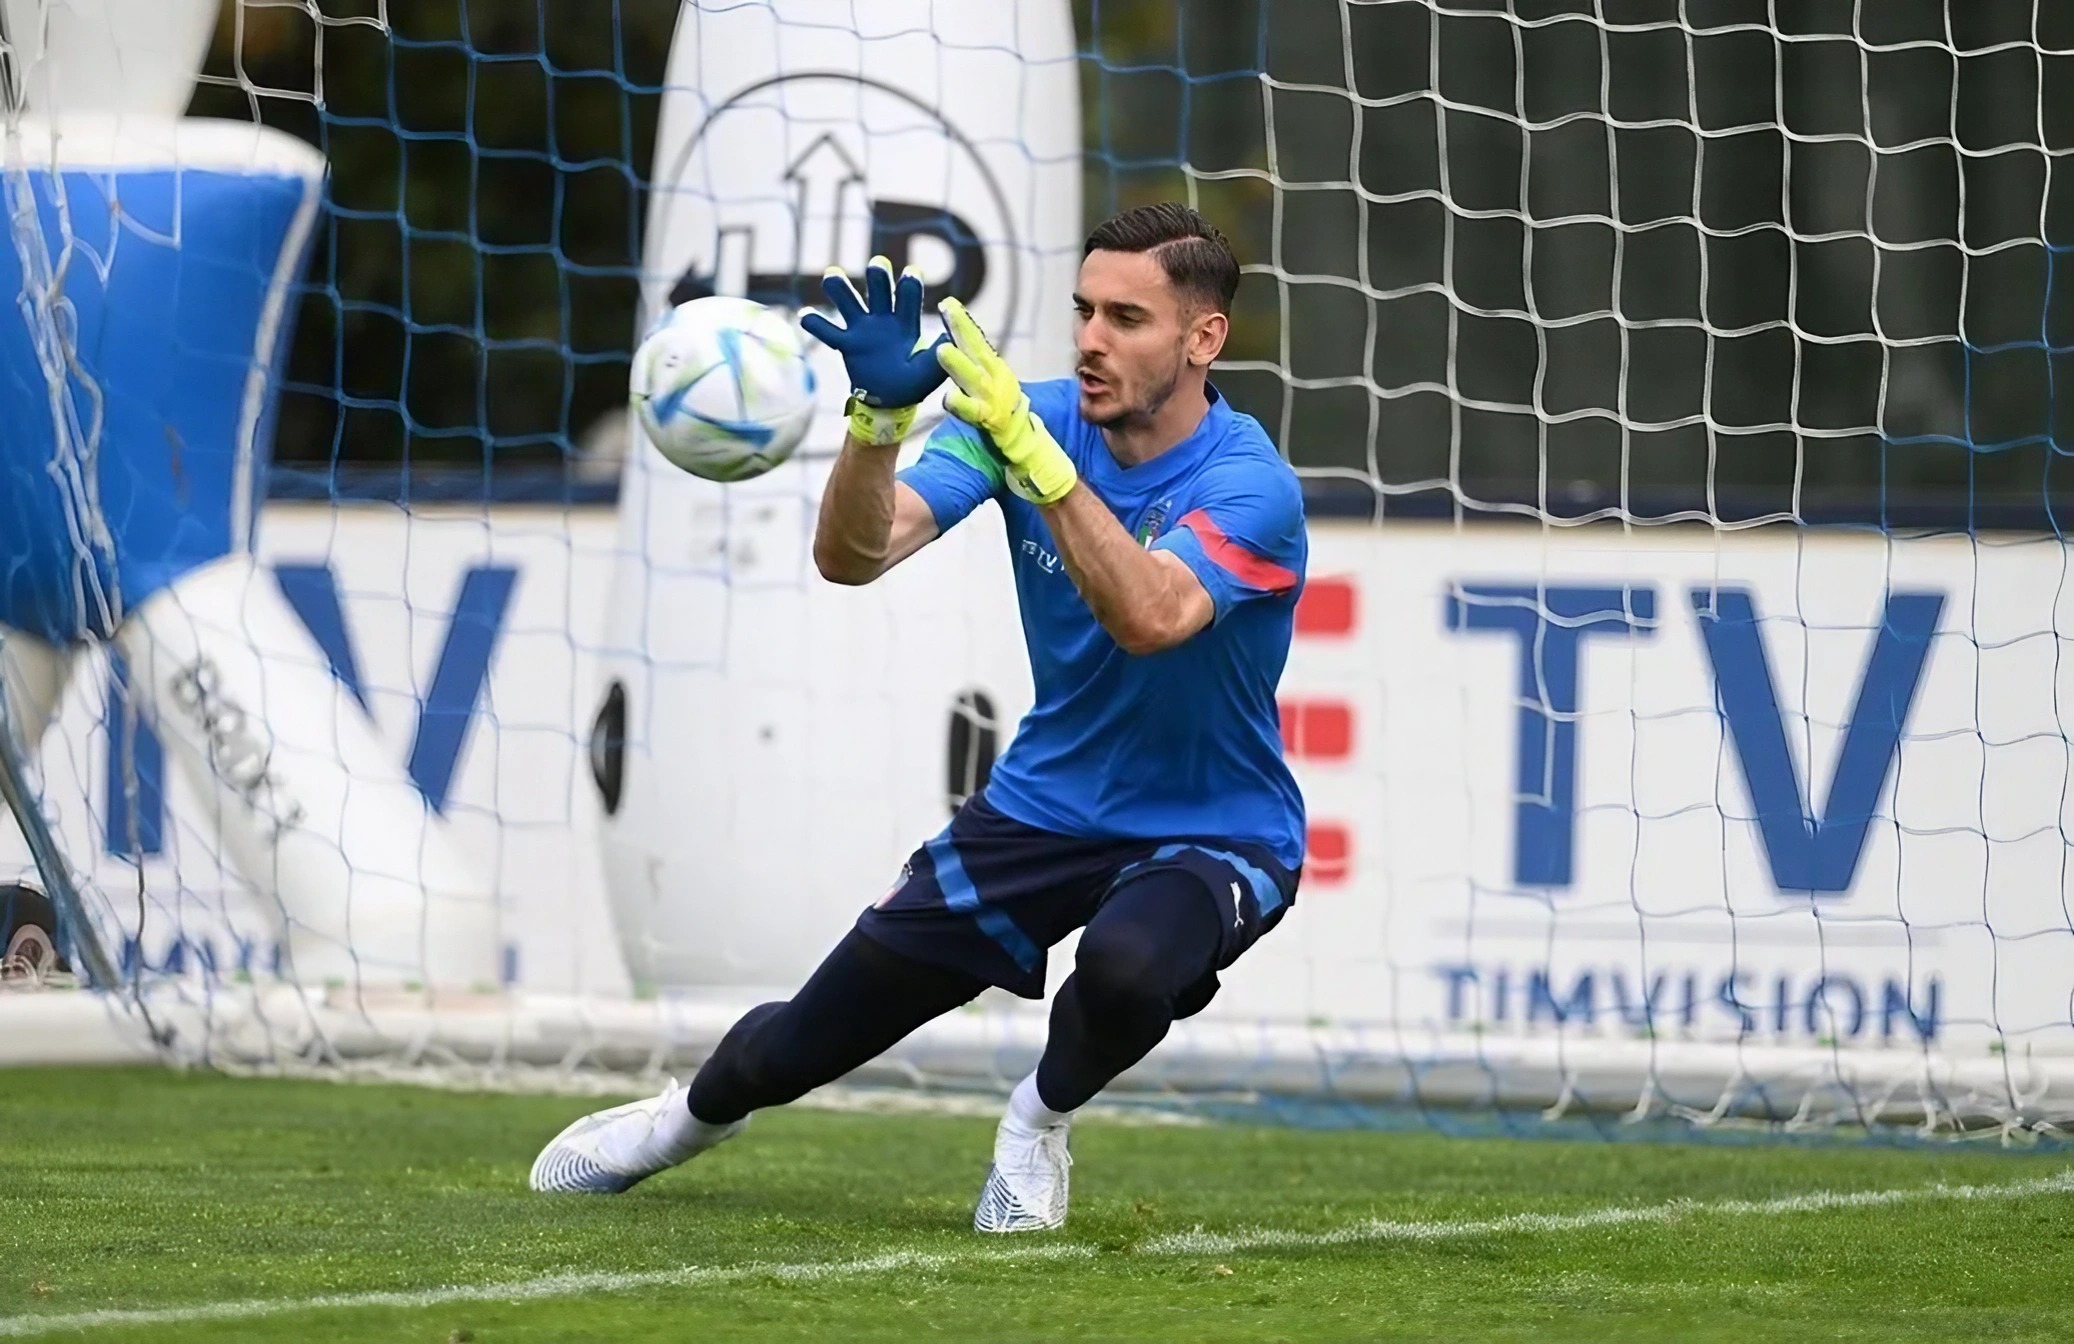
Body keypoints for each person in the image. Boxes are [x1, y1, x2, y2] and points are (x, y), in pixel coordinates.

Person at [531, 203, 1308, 1234]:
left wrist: (1035, 458)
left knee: (1127, 967)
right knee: (798, 1044)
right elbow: (854, 554)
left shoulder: (1250, 485)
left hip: (1217, 824)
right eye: (1083, 310)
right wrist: (876, 426)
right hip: (1042, 808)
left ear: (1201, 339)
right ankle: (682, 1120)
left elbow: (1151, 616)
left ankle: (1035, 1124)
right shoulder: (1018, 420)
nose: (1089, 338)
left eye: (1127, 317)